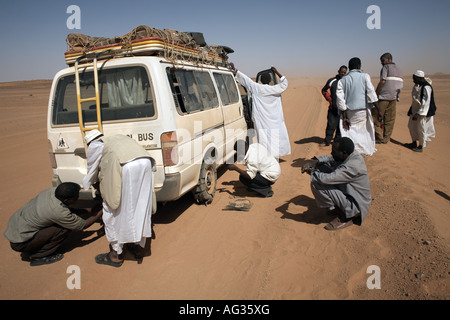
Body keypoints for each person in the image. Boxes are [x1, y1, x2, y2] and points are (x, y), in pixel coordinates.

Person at [82, 130, 156, 267]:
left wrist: (94, 187)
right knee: (141, 207)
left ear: (89, 142)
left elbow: (92, 171)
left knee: (112, 211)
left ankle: (116, 254)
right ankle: (139, 248)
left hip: (126, 166)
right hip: (146, 163)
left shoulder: (95, 145)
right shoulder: (117, 137)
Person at [4, 182, 103, 266]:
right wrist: (101, 212)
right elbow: (82, 225)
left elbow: (66, 209)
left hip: (16, 230)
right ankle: (39, 256)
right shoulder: (57, 211)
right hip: (20, 242)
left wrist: (88, 210)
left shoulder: (51, 192)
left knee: (63, 221)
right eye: (76, 196)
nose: (78, 198)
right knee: (64, 228)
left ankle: (37, 246)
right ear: (66, 200)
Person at [301, 137, 371, 231]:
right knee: (321, 166)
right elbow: (330, 159)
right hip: (349, 193)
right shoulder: (350, 154)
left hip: (355, 205)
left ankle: (347, 215)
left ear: (344, 153)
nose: (331, 153)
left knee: (316, 183)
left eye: (334, 151)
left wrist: (310, 172)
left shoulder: (352, 167)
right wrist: (315, 161)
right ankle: (339, 207)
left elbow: (326, 179)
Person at [230, 63, 291, 158]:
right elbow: (285, 83)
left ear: (261, 80)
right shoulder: (276, 89)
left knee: (263, 138)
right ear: (271, 80)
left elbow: (246, 80)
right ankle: (275, 155)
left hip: (262, 120)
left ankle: (266, 156)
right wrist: (276, 72)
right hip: (275, 119)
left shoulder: (257, 88)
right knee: (275, 137)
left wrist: (235, 70)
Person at [336, 57, 381, 157]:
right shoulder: (365, 76)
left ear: (349, 67)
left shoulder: (342, 80)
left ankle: (353, 152)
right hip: (363, 111)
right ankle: (364, 152)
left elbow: (340, 100)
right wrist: (379, 110)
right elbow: (371, 93)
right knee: (364, 131)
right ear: (359, 66)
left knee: (351, 132)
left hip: (349, 112)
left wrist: (344, 117)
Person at [373, 53, 403, 144]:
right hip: (393, 97)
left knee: (376, 117)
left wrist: (375, 93)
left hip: (383, 97)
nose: (382, 63)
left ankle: (380, 137)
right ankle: (386, 138)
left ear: (389, 59)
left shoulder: (385, 68)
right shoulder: (399, 69)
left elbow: (383, 81)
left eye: (383, 61)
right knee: (390, 119)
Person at [406, 70, 436, 153]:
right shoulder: (417, 85)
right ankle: (414, 142)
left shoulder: (426, 87)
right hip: (415, 111)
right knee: (411, 126)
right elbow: (415, 100)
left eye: (414, 78)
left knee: (421, 129)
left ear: (419, 78)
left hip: (424, 113)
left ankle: (421, 146)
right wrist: (412, 111)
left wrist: (419, 113)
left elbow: (426, 102)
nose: (413, 80)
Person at [320, 65, 348, 146]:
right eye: (341, 72)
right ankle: (327, 141)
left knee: (341, 126)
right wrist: (328, 98)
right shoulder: (331, 81)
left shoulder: (347, 81)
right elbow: (324, 90)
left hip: (344, 108)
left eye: (344, 73)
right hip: (333, 107)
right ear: (338, 71)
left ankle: (337, 141)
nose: (343, 74)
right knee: (331, 124)